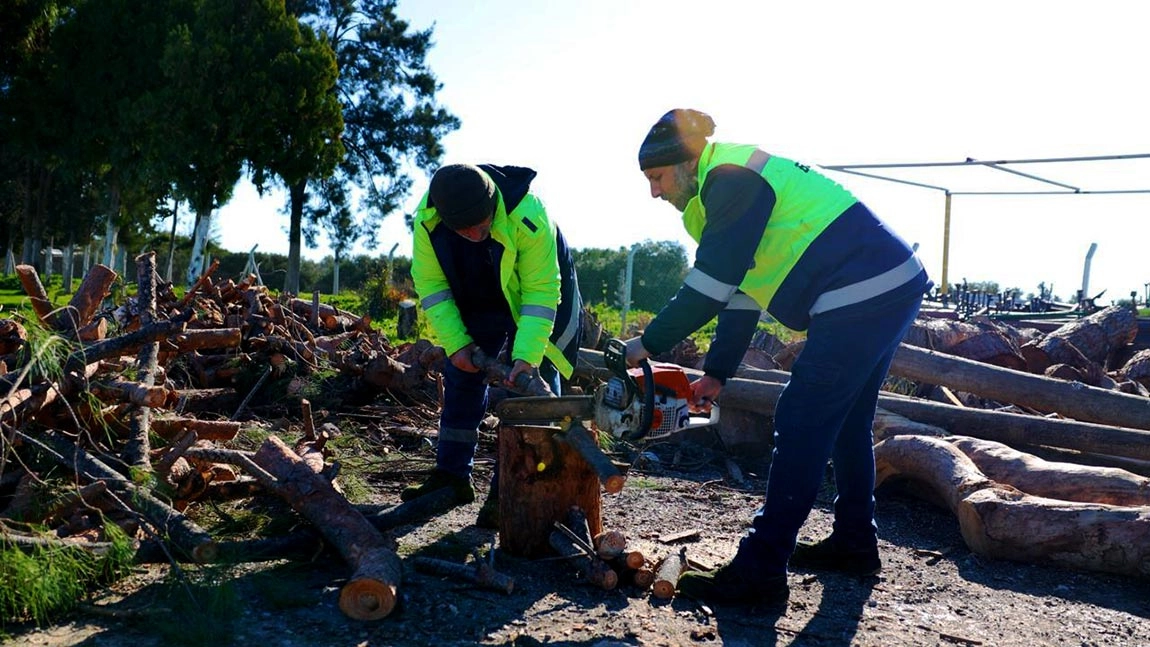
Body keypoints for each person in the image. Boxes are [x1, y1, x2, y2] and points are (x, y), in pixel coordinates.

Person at [626, 109, 931, 606]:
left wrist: (648, 343)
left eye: (656, 177)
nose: (654, 192)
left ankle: (762, 568)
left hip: (862, 289)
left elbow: (709, 286)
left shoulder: (729, 179)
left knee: (802, 416)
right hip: (890, 282)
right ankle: (855, 543)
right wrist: (719, 372)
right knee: (849, 420)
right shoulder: (717, 194)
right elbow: (741, 290)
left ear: (685, 163)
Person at [403, 163, 582, 529]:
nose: (476, 233)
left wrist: (527, 358)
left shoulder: (528, 215)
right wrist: (456, 344)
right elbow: (432, 286)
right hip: (478, 293)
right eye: (465, 230)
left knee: (534, 389)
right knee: (461, 374)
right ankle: (452, 477)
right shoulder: (428, 219)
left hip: (538, 295)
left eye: (482, 225)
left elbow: (541, 292)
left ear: (492, 205)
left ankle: (514, 491)